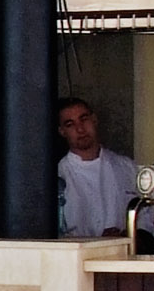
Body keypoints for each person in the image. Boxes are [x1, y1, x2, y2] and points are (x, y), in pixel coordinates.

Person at [55, 98, 138, 240]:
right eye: (70, 124)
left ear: (94, 119)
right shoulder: (59, 176)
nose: (80, 129)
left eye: (84, 119)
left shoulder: (126, 167)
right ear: (62, 131)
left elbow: (146, 215)